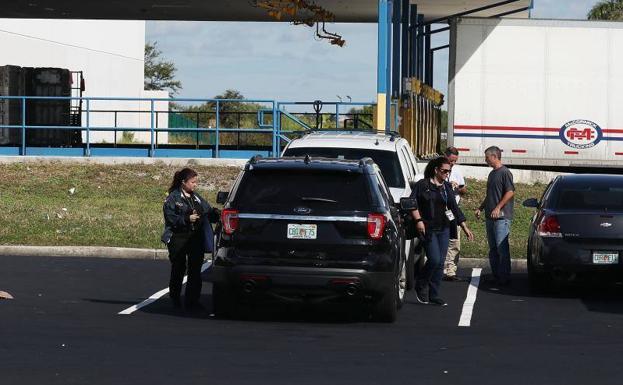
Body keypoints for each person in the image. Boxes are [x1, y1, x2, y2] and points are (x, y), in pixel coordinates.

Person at [408, 157, 474, 306]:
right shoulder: (423, 185)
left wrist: (464, 227)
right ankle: (421, 284)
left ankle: (434, 294)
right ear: (436, 170)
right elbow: (412, 203)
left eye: (448, 171)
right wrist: (418, 221)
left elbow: (454, 209)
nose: (446, 173)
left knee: (440, 263)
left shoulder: (446, 188)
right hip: (428, 228)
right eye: (444, 171)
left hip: (444, 228)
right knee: (434, 259)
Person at [162, 168, 220, 310]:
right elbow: (170, 219)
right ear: (183, 182)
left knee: (195, 269)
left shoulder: (196, 197)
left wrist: (218, 214)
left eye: (196, 182)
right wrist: (186, 219)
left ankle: (192, 301)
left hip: (195, 237)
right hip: (178, 237)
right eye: (193, 182)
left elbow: (207, 210)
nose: (195, 185)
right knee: (179, 268)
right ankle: (175, 298)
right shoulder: (173, 198)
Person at [475, 146, 515, 286]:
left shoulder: (505, 172)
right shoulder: (492, 174)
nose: (485, 160)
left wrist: (498, 207)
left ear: (494, 156)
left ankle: (504, 276)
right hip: (489, 217)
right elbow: (490, 195)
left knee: (501, 247)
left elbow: (510, 192)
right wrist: (481, 207)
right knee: (493, 248)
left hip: (502, 218)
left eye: (487, 157)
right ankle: (496, 275)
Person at [443, 146, 467, 282]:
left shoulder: (457, 171)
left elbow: (464, 189)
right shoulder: (437, 168)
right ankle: (439, 267)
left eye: (454, 161)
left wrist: (457, 186)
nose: (452, 164)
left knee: (454, 240)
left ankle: (450, 271)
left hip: (453, 210)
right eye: (450, 160)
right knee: (441, 238)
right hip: (440, 209)